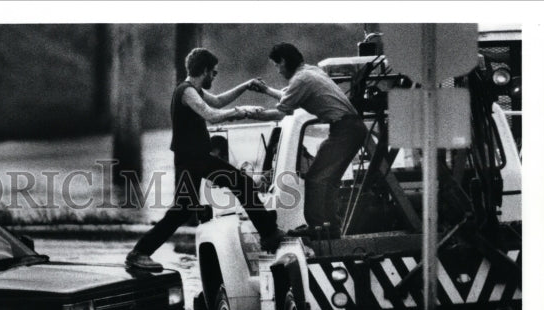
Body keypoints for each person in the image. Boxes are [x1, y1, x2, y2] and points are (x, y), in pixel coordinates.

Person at [125, 48, 282, 272]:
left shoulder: (192, 89)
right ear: (205, 71)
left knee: (182, 209)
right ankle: (269, 234)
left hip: (193, 158)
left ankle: (139, 253)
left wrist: (245, 85)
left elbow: (217, 102)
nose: (214, 77)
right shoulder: (187, 92)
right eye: (214, 73)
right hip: (194, 159)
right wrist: (242, 110)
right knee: (242, 183)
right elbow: (212, 115)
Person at [246, 42, 368, 238]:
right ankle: (329, 227)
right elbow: (291, 96)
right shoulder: (310, 71)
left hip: (345, 130)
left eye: (277, 66)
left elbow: (281, 113)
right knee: (327, 180)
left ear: (284, 62)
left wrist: (250, 114)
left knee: (314, 179)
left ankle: (318, 227)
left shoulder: (300, 80)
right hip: (349, 128)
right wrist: (266, 90)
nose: (278, 71)